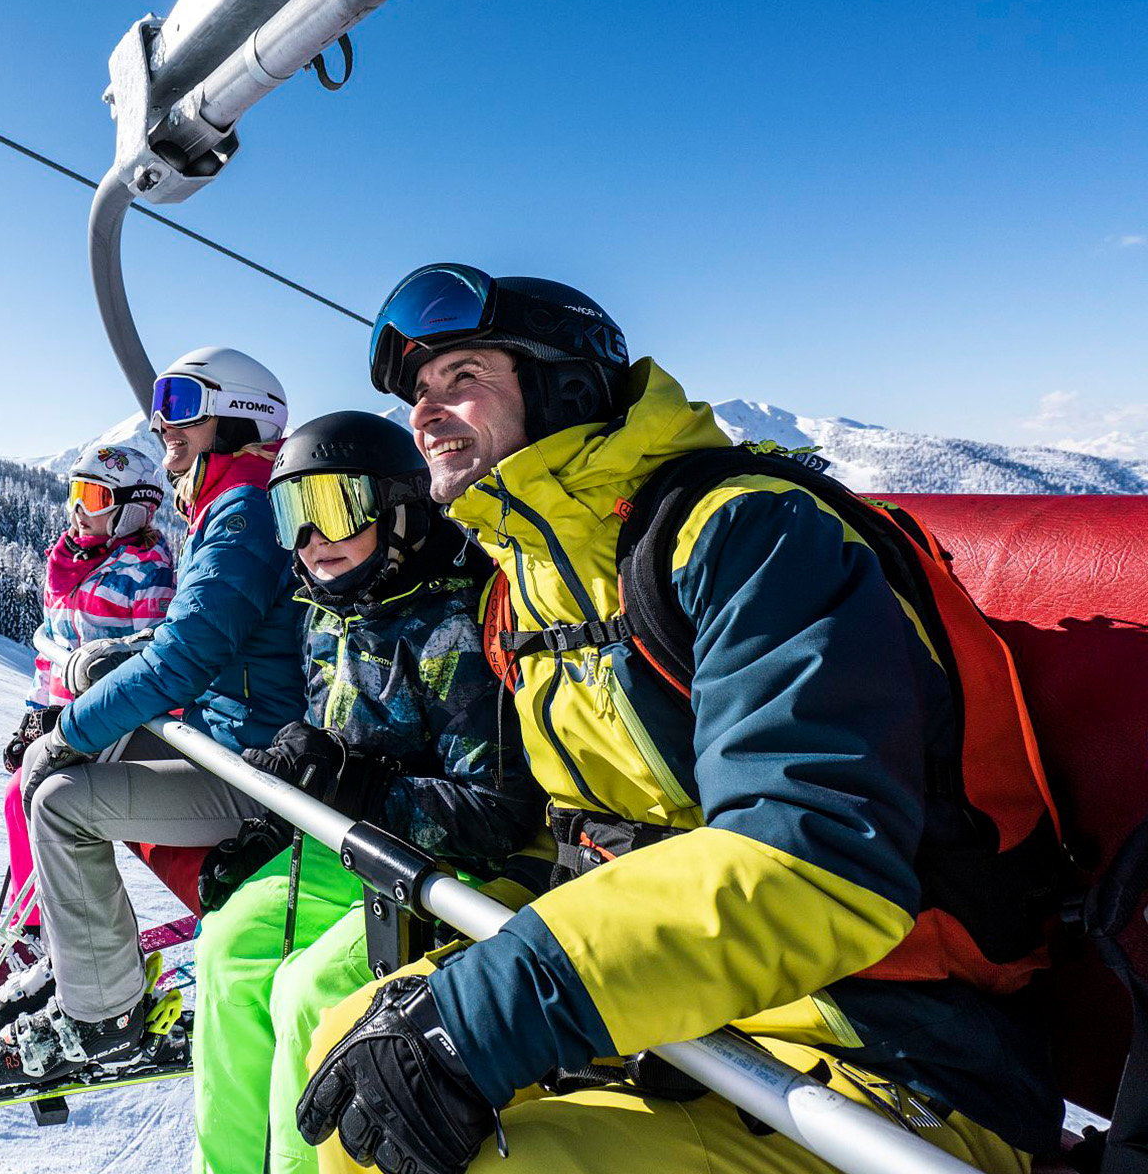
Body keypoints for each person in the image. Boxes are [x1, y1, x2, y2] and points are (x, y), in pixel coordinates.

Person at [294, 265, 1051, 1174]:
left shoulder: (747, 534)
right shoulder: (524, 582)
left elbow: (812, 859)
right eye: (420, 392)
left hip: (878, 1045)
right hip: (691, 1014)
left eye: (463, 377)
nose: (426, 411)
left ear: (563, 384)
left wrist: (496, 1008)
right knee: (351, 1067)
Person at [192, 410, 544, 1174]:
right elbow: (335, 752)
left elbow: (500, 813)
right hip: (357, 849)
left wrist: (352, 789)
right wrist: (282, 819)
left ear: (398, 504)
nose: (312, 541)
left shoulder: (462, 614)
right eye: (293, 516)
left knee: (310, 992)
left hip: (455, 872)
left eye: (332, 508)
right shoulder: (328, 605)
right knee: (227, 948)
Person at [0, 346, 307, 1082]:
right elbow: (180, 636)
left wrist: (69, 727)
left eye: (184, 407)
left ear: (239, 416)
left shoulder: (245, 513)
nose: (166, 427)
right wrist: (103, 666)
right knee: (49, 775)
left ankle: (104, 1018)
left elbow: (183, 660)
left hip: (252, 770)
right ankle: (85, 961)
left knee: (63, 796)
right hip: (228, 743)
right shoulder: (233, 503)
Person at [0, 436, 176, 1019]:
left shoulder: (146, 571)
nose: (79, 508)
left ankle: (47, 937)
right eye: (75, 493)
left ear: (134, 507)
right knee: (17, 799)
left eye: (94, 495)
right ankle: (33, 932)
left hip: (115, 724)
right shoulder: (70, 561)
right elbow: (51, 651)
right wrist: (34, 714)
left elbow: (148, 659)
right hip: (65, 719)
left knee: (30, 798)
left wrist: (70, 717)